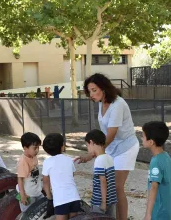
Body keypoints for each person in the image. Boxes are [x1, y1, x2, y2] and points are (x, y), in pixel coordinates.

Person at [75, 73, 139, 220]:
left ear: (103, 88)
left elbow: (111, 134)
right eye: (89, 91)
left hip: (125, 148)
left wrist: (92, 154)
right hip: (110, 147)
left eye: (94, 90)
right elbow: (105, 135)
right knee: (109, 188)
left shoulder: (118, 104)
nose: (91, 94)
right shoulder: (101, 103)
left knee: (116, 187)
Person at [42, 133, 82, 220]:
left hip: (60, 200)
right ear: (62, 146)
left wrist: (49, 196)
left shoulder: (47, 162)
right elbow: (72, 175)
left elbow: (45, 182)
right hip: (74, 197)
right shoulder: (69, 160)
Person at [141, 121, 171, 220]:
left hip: (158, 211)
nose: (141, 138)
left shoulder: (155, 162)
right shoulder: (166, 157)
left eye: (143, 136)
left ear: (151, 142)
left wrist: (148, 214)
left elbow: (154, 187)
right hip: (167, 209)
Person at [85, 129, 118, 217]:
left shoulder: (99, 160)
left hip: (99, 201)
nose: (88, 149)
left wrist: (103, 202)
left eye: (87, 146)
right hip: (111, 199)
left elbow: (103, 181)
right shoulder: (109, 158)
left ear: (91, 143)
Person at [16, 132, 42, 212]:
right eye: (35, 148)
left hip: (36, 191)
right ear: (25, 148)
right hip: (28, 194)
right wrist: (22, 195)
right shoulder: (23, 161)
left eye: (38, 147)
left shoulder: (33, 156)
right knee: (29, 214)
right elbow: (20, 179)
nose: (37, 150)